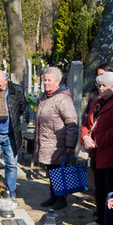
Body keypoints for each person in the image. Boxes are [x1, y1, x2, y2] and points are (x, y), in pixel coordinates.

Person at [33, 67, 79, 210]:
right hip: (47, 141)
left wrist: (70, 144)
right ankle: (53, 196)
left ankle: (62, 198)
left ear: (57, 82)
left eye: (48, 80)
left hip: (59, 142)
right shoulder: (45, 97)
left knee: (60, 171)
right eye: (44, 79)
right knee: (51, 170)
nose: (45, 82)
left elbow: (72, 123)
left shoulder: (63, 99)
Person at [81, 72, 113, 225]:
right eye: (99, 85)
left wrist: (96, 142)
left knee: (110, 188)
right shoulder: (96, 103)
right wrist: (85, 138)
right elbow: (86, 123)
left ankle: (110, 222)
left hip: (110, 154)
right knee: (99, 187)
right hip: (96, 154)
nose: (100, 88)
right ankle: (100, 218)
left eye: (104, 85)